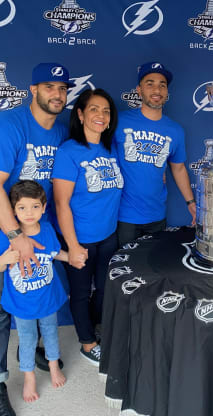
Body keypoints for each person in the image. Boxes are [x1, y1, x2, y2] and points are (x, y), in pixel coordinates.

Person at [0, 62, 73, 416]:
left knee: (39, 295)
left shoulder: (60, 133)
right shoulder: (11, 124)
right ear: (33, 90)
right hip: (8, 232)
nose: (57, 94)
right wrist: (15, 236)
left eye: (62, 88)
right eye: (49, 87)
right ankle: (0, 381)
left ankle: (35, 354)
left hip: (39, 230)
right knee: (3, 314)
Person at [52, 88, 122, 366]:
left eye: (106, 111)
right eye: (94, 109)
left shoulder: (111, 147)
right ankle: (87, 343)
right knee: (81, 293)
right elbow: (61, 203)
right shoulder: (69, 152)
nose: (100, 115)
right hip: (79, 238)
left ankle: (98, 330)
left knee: (105, 289)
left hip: (108, 236)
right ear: (80, 114)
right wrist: (72, 245)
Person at [114, 62, 196, 246]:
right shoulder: (119, 121)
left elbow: (179, 168)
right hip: (123, 215)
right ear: (139, 90)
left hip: (157, 214)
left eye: (162, 84)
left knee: (152, 270)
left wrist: (191, 203)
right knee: (122, 270)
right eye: (149, 83)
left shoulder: (175, 130)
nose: (156, 89)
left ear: (167, 92)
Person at [0, 181, 68, 402]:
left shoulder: (47, 229)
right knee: (27, 339)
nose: (29, 213)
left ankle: (53, 364)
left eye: (35, 206)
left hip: (47, 297)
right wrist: (3, 260)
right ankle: (29, 376)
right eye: (22, 207)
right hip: (22, 303)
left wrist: (72, 257)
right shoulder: (5, 237)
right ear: (12, 210)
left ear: (44, 207)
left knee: (50, 332)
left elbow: (54, 253)